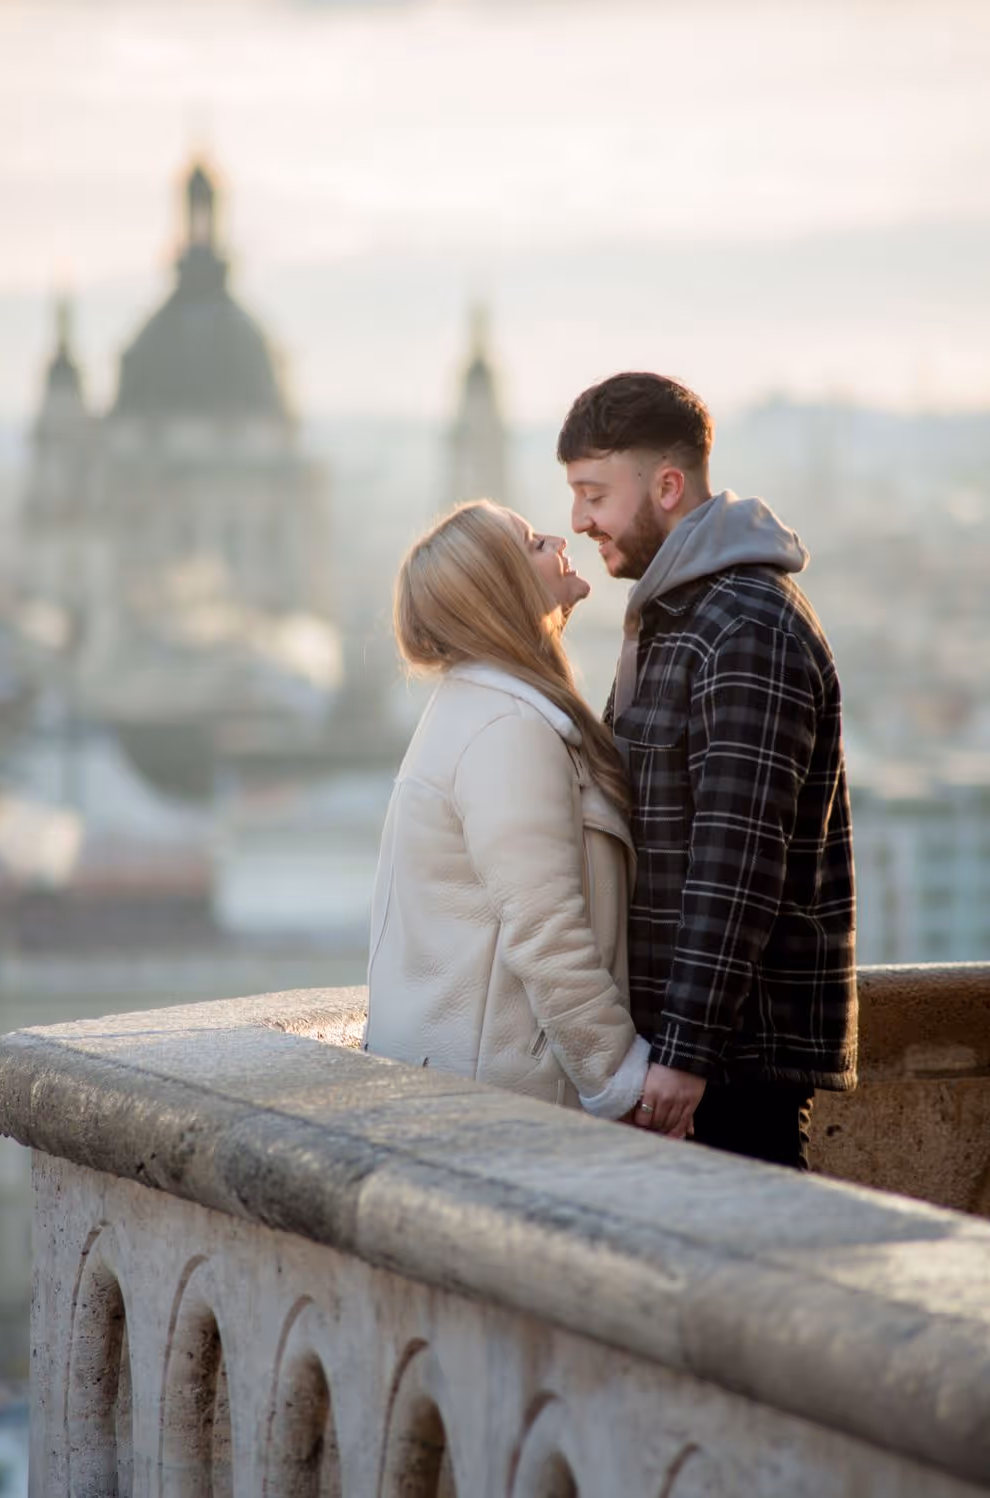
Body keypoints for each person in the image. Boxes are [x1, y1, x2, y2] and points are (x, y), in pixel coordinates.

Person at [558, 372, 857, 1170]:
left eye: (594, 493)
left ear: (666, 484)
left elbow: (737, 862)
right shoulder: (679, 616)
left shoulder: (745, 626)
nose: (579, 520)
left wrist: (685, 1053)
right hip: (694, 1045)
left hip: (732, 1056)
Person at [365, 499, 651, 1119]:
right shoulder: (507, 729)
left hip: (464, 1089)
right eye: (528, 543)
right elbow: (546, 930)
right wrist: (623, 1083)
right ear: (504, 589)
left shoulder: (480, 710)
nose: (555, 538)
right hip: (504, 1100)